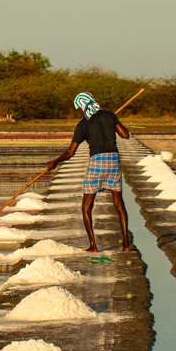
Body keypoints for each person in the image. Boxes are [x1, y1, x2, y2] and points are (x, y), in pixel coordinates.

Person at [46, 92, 131, 252]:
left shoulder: (82, 125)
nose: (79, 112)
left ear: (83, 106)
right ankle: (126, 245)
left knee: (86, 206)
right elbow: (125, 135)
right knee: (119, 205)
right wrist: (113, 121)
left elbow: (71, 152)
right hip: (114, 162)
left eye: (78, 109)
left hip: (97, 163)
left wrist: (55, 161)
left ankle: (93, 245)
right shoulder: (109, 116)